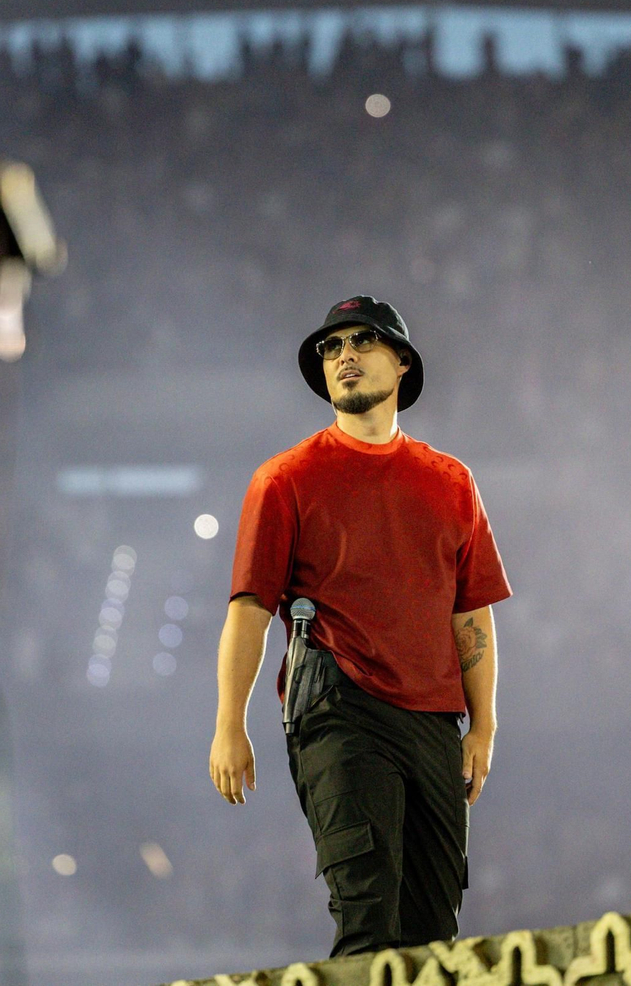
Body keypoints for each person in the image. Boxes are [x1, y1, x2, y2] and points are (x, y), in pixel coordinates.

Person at [209, 295, 511, 955]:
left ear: (402, 362)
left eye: (362, 341)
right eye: (331, 346)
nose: (343, 356)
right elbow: (250, 610)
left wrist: (483, 725)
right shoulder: (285, 479)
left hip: (435, 721)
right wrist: (230, 722)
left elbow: (471, 613)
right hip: (338, 709)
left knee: (433, 935)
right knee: (369, 919)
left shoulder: (451, 481)